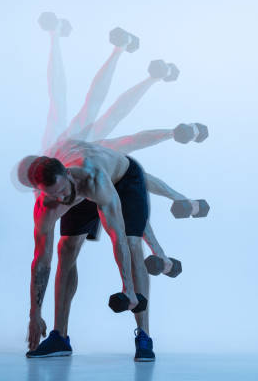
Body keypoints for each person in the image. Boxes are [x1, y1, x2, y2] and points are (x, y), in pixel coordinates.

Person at [24, 139, 156, 361]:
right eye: (53, 195)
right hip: (81, 189)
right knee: (66, 248)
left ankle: (144, 336)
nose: (60, 199)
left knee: (133, 246)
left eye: (61, 191)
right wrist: (35, 314)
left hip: (122, 180)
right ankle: (60, 337)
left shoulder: (95, 178)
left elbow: (118, 237)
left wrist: (128, 290)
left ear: (67, 174)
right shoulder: (48, 204)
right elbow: (41, 261)